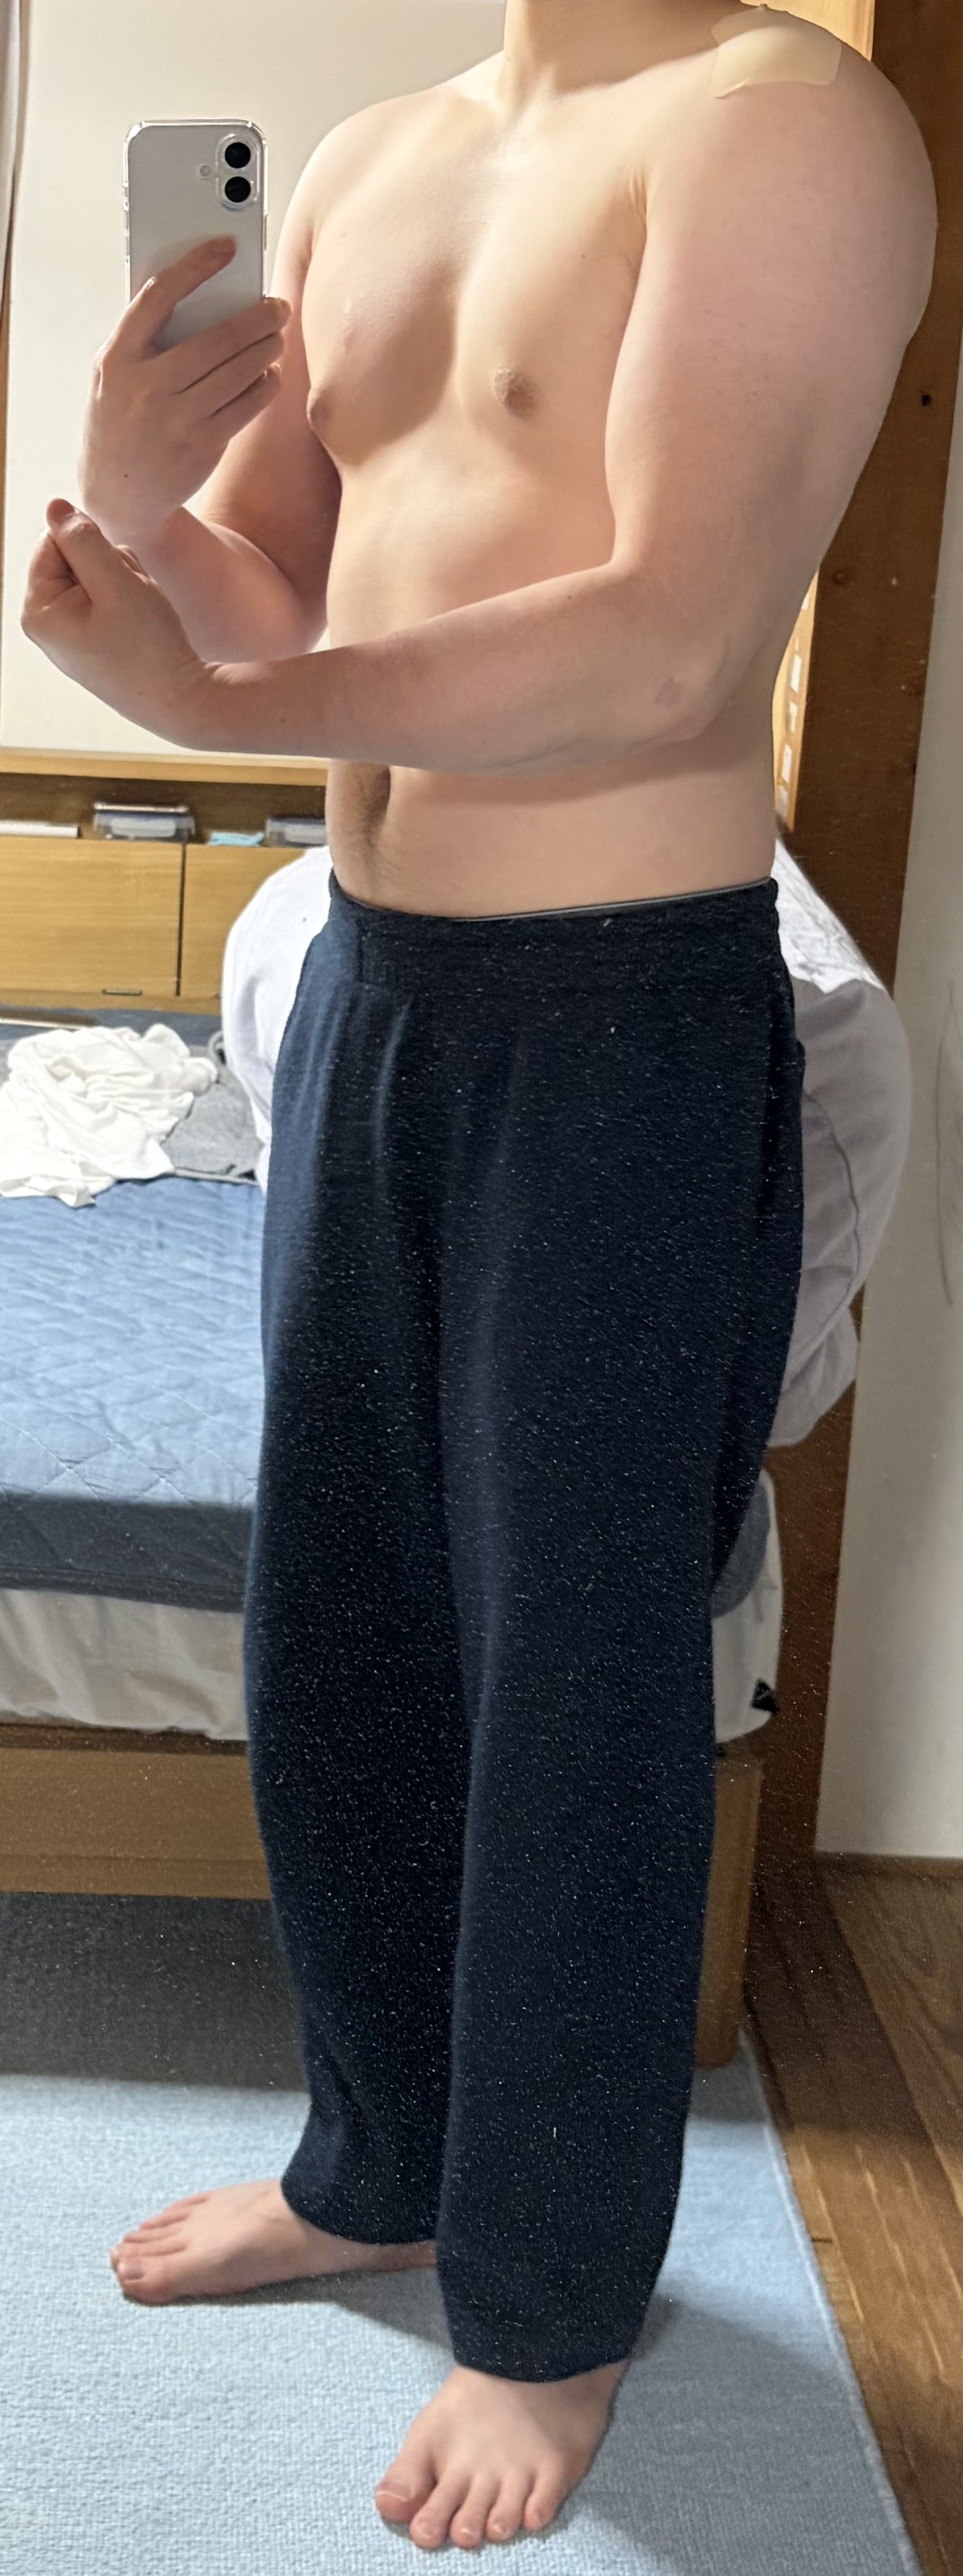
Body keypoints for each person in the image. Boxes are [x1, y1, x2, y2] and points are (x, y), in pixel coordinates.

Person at [21, 0, 936, 2552]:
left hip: (622, 1014)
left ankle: (546, 2306)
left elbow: (663, 643)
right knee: (346, 1620)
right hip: (377, 985)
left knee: (575, 1679)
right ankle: (382, 2163)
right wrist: (138, 505)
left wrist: (227, 697)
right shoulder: (382, 153)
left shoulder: (780, 129)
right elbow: (274, 586)